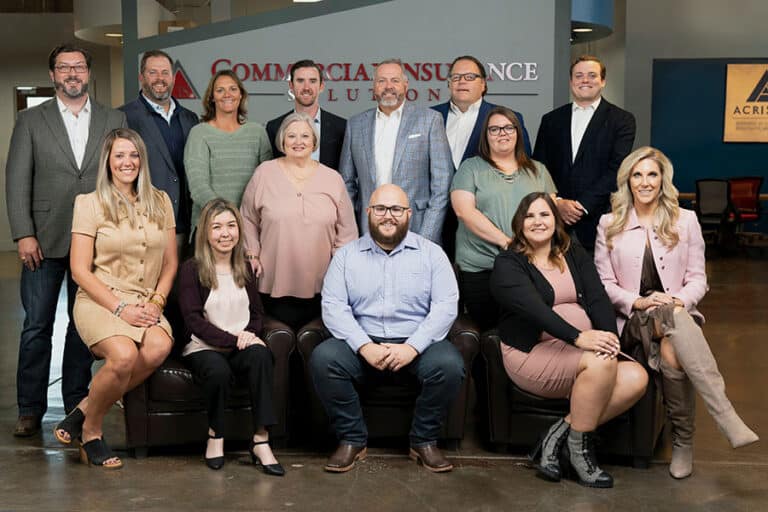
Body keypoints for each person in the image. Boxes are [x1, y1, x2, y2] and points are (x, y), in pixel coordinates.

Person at [594, 147, 759, 479]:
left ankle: (683, 441)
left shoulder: (686, 220)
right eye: (637, 175)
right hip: (631, 320)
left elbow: (698, 279)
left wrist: (678, 301)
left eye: (652, 174)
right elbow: (604, 283)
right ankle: (721, 416)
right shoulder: (609, 223)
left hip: (674, 314)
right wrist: (638, 302)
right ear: (627, 180)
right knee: (674, 327)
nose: (644, 182)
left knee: (672, 350)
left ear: (662, 180)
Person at [5, 43, 126, 437]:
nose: (72, 73)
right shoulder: (30, 120)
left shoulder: (114, 117)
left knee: (82, 326)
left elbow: (122, 175)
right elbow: (17, 179)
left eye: (78, 66)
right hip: (43, 239)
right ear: (53, 75)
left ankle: (77, 402)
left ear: (89, 73)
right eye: (63, 67)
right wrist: (23, 233)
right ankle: (29, 408)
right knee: (37, 326)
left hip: (96, 243)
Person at [490, 192, 648, 488]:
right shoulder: (508, 263)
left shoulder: (573, 252)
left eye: (545, 214)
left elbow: (599, 298)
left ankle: (556, 435)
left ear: (556, 220)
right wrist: (579, 337)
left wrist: (610, 338)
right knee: (600, 364)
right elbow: (535, 311)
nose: (538, 221)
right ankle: (580, 456)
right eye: (530, 216)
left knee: (637, 376)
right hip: (532, 353)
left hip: (580, 351)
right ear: (519, 224)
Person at [310, 184, 464, 473]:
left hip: (416, 345)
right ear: (368, 213)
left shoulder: (432, 254)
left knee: (449, 365)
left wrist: (412, 347)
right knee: (324, 358)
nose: (388, 216)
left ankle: (423, 441)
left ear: (409, 214)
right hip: (362, 344)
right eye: (380, 208)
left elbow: (445, 306)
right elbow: (333, 306)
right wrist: (363, 345)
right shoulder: (346, 256)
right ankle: (352, 439)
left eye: (396, 209)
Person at [57, 128, 177, 469]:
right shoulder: (89, 203)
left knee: (157, 347)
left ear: (143, 160)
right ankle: (92, 431)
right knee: (123, 355)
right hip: (100, 298)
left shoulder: (161, 200)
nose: (128, 162)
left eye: (134, 155)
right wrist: (120, 308)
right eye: (120, 156)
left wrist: (157, 302)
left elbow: (170, 264)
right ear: (108, 162)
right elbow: (80, 270)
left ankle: (82, 411)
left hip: (145, 298)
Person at [178, 198, 284, 475]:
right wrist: (234, 339)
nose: (225, 233)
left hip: (240, 344)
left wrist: (249, 336)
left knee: (261, 355)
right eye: (216, 227)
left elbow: (258, 314)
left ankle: (261, 439)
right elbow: (192, 321)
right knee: (218, 372)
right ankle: (216, 435)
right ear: (205, 233)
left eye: (230, 225)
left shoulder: (244, 267)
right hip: (204, 348)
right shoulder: (192, 268)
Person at [240, 112, 358, 330]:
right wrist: (252, 254)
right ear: (282, 141)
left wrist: (341, 266)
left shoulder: (333, 178)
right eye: (291, 136)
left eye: (305, 136)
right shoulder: (264, 173)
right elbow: (247, 218)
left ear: (314, 142)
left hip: (323, 285)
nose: (298, 142)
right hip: (272, 282)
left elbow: (347, 230)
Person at [451, 106, 556, 330]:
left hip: (531, 267)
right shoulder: (470, 168)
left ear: (518, 133)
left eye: (509, 127)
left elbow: (551, 216)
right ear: (486, 135)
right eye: (495, 129)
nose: (502, 133)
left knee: (526, 331)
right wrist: (507, 243)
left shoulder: (538, 170)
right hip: (481, 269)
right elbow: (464, 211)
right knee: (489, 331)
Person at [339, 59, 453, 245]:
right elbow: (346, 184)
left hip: (416, 229)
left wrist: (425, 238)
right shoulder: (355, 124)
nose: (388, 86)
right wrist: (353, 233)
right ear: (374, 86)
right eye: (382, 81)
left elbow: (442, 185)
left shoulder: (430, 120)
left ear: (405, 85)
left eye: (395, 80)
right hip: (369, 232)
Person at [533, 55, 636, 251]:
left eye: (591, 75)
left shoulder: (622, 120)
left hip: (600, 220)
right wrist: (558, 203)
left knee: (596, 281)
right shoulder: (551, 120)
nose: (585, 80)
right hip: (554, 223)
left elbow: (617, 170)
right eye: (579, 75)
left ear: (603, 81)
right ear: (571, 81)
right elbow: (539, 167)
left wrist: (581, 206)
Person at [120, 49, 199, 253]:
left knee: (184, 285)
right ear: (141, 77)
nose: (159, 79)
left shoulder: (190, 118)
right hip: (145, 226)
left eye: (165, 73)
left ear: (173, 77)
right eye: (152, 72)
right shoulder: (123, 117)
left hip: (186, 225)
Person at [184, 69, 272, 231]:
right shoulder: (199, 133)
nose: (227, 94)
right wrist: (227, 218)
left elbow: (267, 181)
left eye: (233, 89)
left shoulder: (257, 132)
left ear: (241, 95)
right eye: (220, 90)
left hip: (251, 227)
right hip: (211, 227)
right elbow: (198, 186)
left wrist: (246, 219)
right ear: (212, 97)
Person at [432, 55, 531, 169]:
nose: (462, 81)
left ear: (483, 84)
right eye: (456, 77)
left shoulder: (507, 118)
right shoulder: (429, 116)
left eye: (470, 77)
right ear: (449, 84)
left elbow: (523, 165)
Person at [266, 59, 346, 170]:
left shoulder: (341, 127)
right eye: (300, 81)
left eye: (312, 81)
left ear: (321, 86)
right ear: (291, 85)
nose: (306, 87)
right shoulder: (274, 127)